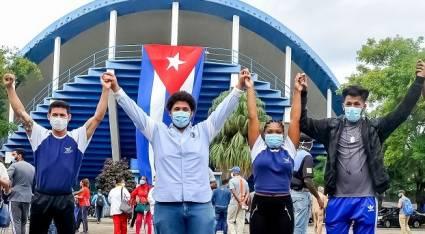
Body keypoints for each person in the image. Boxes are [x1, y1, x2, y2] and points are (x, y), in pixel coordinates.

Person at [103, 68, 249, 234]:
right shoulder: (157, 132)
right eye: (177, 109)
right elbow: (135, 113)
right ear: (170, 113)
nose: (181, 112)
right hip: (167, 206)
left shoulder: (204, 131)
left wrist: (238, 88)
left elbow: (223, 112)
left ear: (192, 113)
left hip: (200, 206)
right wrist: (116, 90)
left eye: (185, 109)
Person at [300, 60, 425, 234]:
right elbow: (303, 124)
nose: (352, 107)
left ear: (364, 106)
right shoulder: (330, 127)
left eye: (356, 104)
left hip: (365, 200)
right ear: (343, 105)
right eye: (349, 104)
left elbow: (401, 113)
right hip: (337, 200)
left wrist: (419, 81)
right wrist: (302, 95)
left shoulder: (376, 128)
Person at [3, 72, 110, 234]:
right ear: (48, 116)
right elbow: (21, 113)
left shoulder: (78, 137)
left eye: (62, 115)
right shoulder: (39, 135)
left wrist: (105, 90)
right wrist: (10, 88)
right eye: (55, 115)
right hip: (41, 197)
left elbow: (98, 118)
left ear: (69, 117)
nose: (58, 118)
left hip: (65, 198)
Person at [247, 72, 304, 234]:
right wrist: (250, 88)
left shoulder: (289, 149)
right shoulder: (257, 148)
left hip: (283, 205)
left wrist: (297, 91)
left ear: (283, 134)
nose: (274, 134)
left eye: (278, 132)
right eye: (270, 131)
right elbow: (252, 117)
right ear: (264, 134)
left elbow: (295, 119)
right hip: (260, 205)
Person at [290, 134, 324, 234]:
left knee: (291, 225)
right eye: (311, 143)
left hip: (289, 194)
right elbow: (307, 180)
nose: (311, 145)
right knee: (299, 227)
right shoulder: (307, 156)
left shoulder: (292, 154)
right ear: (305, 143)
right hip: (301, 196)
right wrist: (318, 197)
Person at [7, 148, 35, 234]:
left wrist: (7, 191)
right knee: (23, 223)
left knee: (16, 223)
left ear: (19, 155)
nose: (12, 157)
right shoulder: (32, 168)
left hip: (15, 197)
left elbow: (6, 179)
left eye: (13, 155)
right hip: (28, 198)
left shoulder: (14, 165)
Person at [227, 166, 249, 234]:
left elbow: (233, 192)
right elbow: (247, 193)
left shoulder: (232, 180)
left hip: (234, 203)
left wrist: (239, 201)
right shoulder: (245, 181)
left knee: (230, 220)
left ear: (233, 172)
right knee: (240, 220)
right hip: (243, 203)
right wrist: (243, 202)